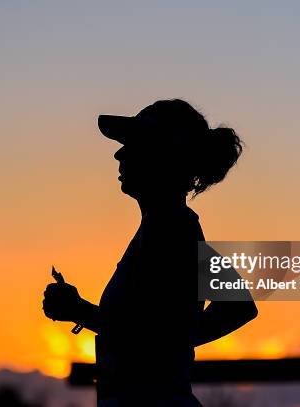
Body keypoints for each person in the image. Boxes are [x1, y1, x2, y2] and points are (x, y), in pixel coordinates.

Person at [43, 99, 258, 406]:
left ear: (161, 157)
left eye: (132, 144)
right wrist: (175, 343)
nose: (119, 153)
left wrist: (79, 311)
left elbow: (154, 335)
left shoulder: (173, 232)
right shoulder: (170, 228)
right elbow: (237, 307)